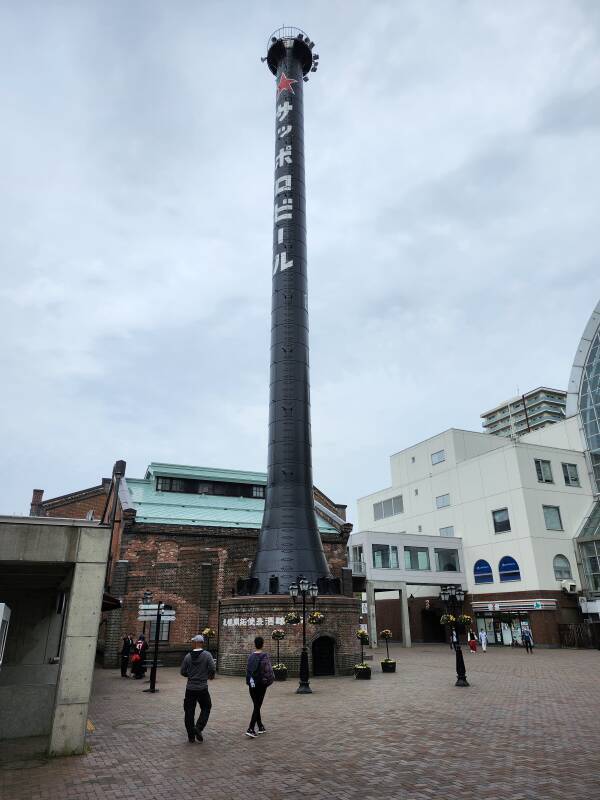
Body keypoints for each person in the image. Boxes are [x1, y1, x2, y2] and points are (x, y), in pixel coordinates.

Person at [180, 634, 216, 743]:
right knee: (206, 706)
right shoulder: (207, 655)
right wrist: (209, 676)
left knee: (189, 711)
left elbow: (182, 671)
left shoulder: (188, 656)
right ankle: (198, 727)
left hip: (190, 688)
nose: (192, 643)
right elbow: (212, 668)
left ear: (197, 643)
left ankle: (191, 736)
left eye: (193, 642)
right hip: (202, 688)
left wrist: (190, 676)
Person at [245, 635, 274, 738]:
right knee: (257, 706)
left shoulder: (250, 656)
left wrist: (249, 682)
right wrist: (269, 682)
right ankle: (251, 728)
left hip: (252, 684)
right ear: (262, 644)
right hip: (261, 685)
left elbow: (248, 671)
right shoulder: (264, 656)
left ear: (255, 644)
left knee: (256, 705)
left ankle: (260, 726)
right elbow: (268, 671)